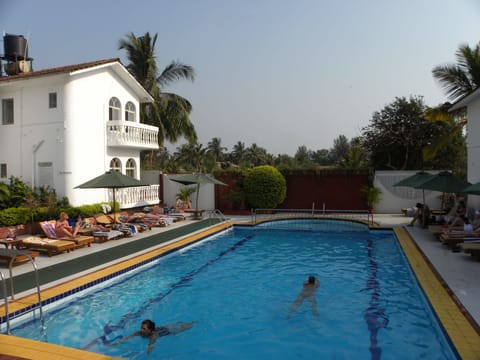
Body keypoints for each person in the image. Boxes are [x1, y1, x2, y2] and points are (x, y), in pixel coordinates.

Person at [107, 319, 196, 354]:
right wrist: (114, 344)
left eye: (144, 328)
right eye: (141, 327)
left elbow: (150, 345)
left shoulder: (153, 335)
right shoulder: (139, 332)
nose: (141, 330)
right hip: (159, 328)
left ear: (150, 330)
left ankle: (191, 323)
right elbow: (126, 338)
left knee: (179, 330)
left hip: (165, 331)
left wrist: (148, 354)